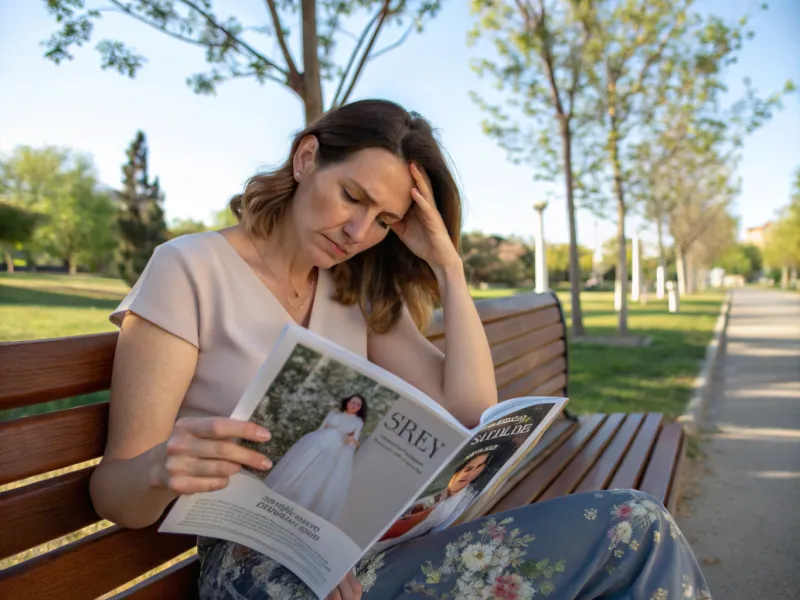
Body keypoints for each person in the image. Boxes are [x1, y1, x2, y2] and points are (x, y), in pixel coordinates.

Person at [95, 99, 712, 600]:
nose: (359, 233)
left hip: (364, 549)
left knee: (636, 526)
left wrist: (448, 266)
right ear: (307, 157)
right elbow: (116, 495)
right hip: (256, 566)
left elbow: (473, 411)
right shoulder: (188, 268)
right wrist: (157, 468)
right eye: (353, 197)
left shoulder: (353, 289)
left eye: (385, 220)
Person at [264, 395, 367, 522]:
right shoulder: (335, 414)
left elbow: (353, 440)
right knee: (303, 467)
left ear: (360, 408)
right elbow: (322, 428)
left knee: (317, 477)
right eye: (353, 402)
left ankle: (301, 506)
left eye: (358, 404)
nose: (354, 406)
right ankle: (282, 494)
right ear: (347, 402)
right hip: (319, 443)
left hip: (336, 450)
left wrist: (346, 444)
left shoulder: (358, 422)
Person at [372, 446, 493, 552]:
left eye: (477, 468)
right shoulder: (437, 499)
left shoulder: (461, 500)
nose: (468, 473)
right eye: (468, 467)